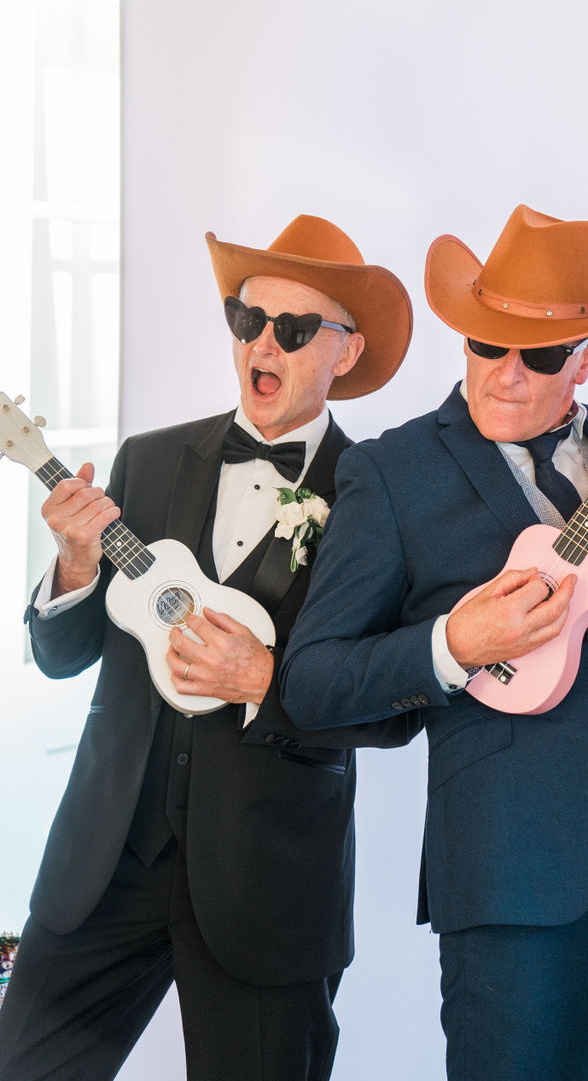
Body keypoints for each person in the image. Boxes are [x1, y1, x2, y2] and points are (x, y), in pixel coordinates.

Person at [281, 203, 588, 1081]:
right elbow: (312, 682)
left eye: (543, 354)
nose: (509, 375)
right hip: (516, 892)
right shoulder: (392, 472)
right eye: (488, 345)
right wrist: (452, 644)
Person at [0, 215, 419, 1081]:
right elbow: (63, 655)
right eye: (247, 319)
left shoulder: (376, 493)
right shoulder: (147, 463)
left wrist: (267, 681)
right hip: (105, 861)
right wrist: (75, 565)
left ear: (347, 350)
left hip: (268, 887)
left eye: (295, 329)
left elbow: (399, 705)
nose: (263, 343)